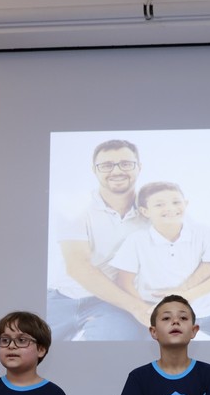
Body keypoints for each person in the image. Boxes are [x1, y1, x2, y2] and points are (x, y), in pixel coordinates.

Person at [109, 181, 210, 340]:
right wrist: (146, 311)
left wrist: (187, 295)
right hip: (160, 315)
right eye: (159, 204)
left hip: (207, 312)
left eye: (176, 202)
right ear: (145, 211)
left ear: (186, 204)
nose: (170, 208)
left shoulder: (203, 233)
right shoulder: (136, 240)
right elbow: (124, 282)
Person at [47, 139, 155, 341]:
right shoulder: (76, 207)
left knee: (111, 346)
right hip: (62, 296)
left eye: (126, 164)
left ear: (139, 167)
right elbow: (78, 266)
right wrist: (136, 307)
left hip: (111, 302)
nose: (117, 171)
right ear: (94, 170)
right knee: (24, 349)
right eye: (106, 165)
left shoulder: (155, 209)